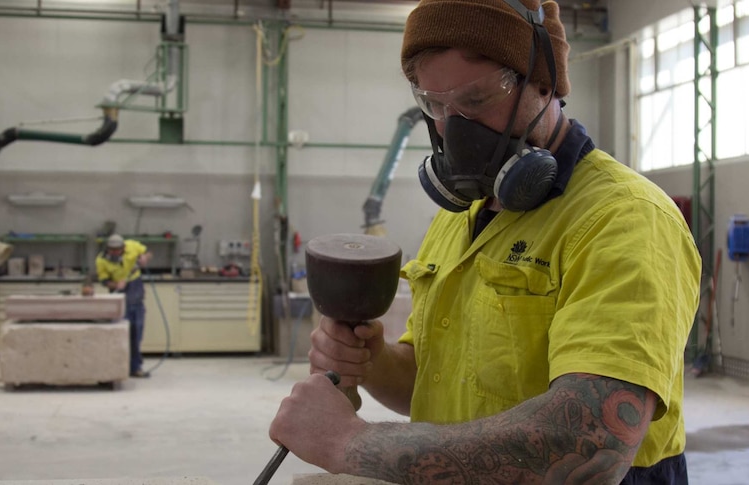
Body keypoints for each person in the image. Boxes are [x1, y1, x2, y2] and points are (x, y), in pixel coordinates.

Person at [269, 0, 702, 483]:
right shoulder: (463, 216)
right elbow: (436, 383)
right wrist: (374, 362)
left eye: (475, 102)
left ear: (544, 83)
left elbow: (589, 446)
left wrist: (349, 442)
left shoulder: (624, 218)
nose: (454, 128)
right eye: (436, 105)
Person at [95, 234, 152, 378]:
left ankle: (135, 367)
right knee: (121, 332)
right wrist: (115, 284)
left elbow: (148, 253)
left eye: (117, 250)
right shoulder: (101, 260)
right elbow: (103, 281)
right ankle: (119, 367)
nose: (114, 253)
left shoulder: (132, 246)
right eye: (111, 250)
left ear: (123, 248)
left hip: (135, 286)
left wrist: (145, 258)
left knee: (136, 331)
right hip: (119, 293)